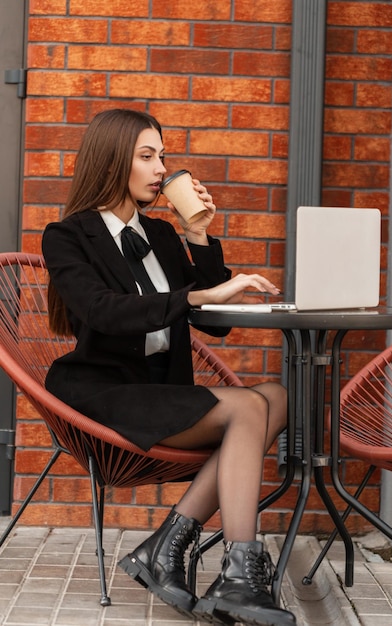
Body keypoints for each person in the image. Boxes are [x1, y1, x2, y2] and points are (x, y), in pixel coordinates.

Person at [42, 108, 296, 626]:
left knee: (280, 396)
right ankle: (241, 576)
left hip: (161, 390)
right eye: (147, 156)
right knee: (249, 406)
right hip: (103, 391)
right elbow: (102, 311)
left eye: (162, 155)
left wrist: (198, 234)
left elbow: (215, 325)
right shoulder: (67, 236)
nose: (162, 168)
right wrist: (198, 292)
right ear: (114, 161)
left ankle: (164, 549)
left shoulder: (159, 234)